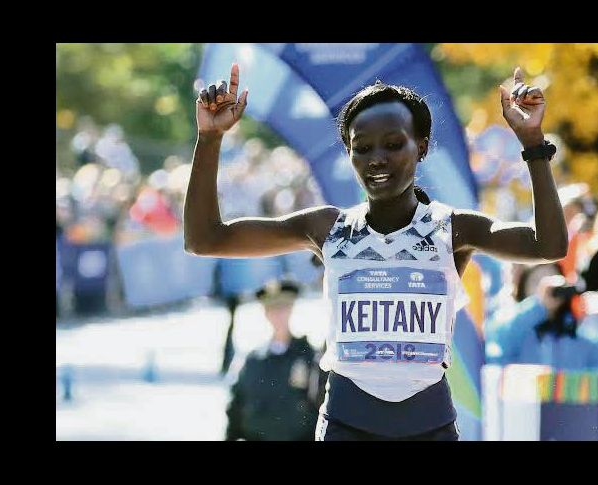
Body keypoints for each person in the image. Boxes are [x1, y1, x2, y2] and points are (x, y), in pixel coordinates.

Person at [185, 64, 567, 441]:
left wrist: (533, 142)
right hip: (346, 424)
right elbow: (205, 239)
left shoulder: (452, 229)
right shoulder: (327, 228)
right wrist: (209, 139)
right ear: (349, 154)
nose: (377, 159)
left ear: (421, 147)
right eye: (362, 148)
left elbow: (547, 245)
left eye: (393, 143)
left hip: (429, 425)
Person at [225, 280, 322, 441]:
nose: (278, 315)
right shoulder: (253, 360)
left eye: (282, 308)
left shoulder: (309, 357)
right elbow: (236, 407)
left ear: (291, 309)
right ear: (265, 312)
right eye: (272, 308)